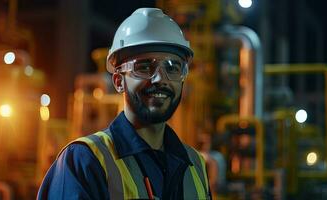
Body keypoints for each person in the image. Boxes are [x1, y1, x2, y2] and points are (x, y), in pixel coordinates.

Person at [37, 7, 211, 199]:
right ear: (119, 81)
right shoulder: (84, 160)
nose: (160, 79)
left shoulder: (196, 165)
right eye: (144, 67)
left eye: (173, 67)